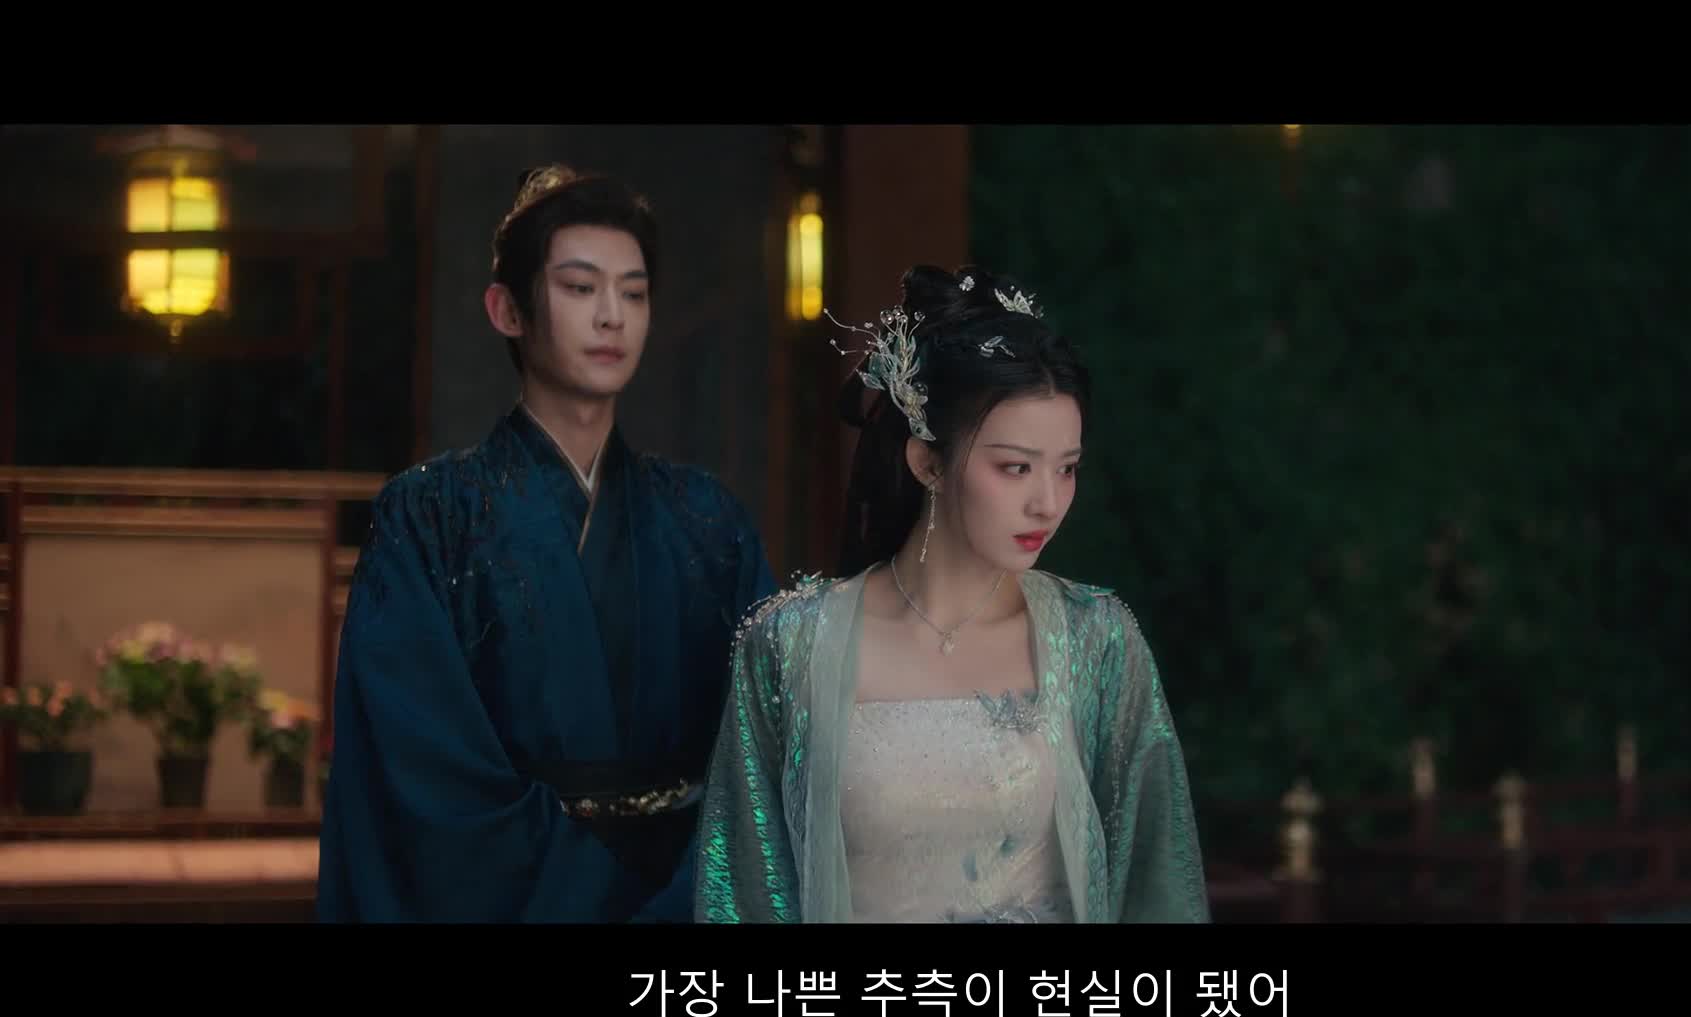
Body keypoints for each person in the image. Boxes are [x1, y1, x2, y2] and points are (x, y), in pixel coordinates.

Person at [316, 165, 777, 922]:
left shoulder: (708, 519)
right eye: (580, 287)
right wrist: (593, 892)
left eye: (634, 293)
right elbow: (417, 764)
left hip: (688, 898)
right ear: (507, 310)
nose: (612, 317)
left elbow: (763, 742)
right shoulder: (430, 517)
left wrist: (690, 894)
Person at [693, 265, 1209, 923]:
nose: (1048, 502)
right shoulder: (790, 644)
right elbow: (745, 896)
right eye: (1015, 467)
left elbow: (1158, 888)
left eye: (1067, 469)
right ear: (928, 461)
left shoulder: (1098, 640)